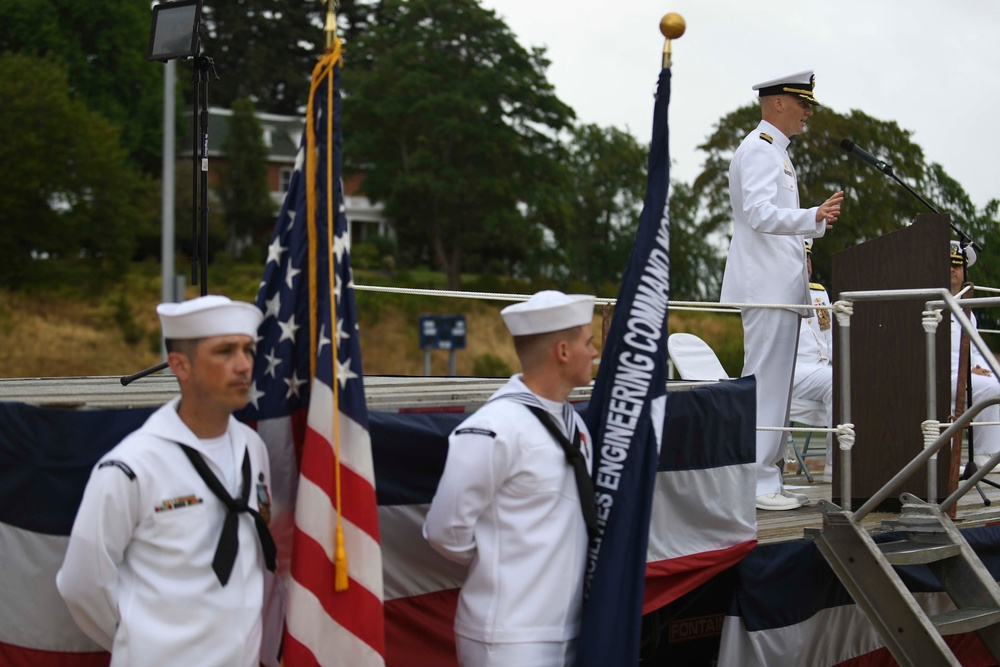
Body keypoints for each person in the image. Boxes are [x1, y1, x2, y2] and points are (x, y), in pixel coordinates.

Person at [57, 295, 279, 667]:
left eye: (248, 350)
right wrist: (142, 641)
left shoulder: (252, 449)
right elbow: (81, 584)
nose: (244, 366)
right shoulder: (132, 467)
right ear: (180, 365)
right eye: (224, 352)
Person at [423, 290, 599, 667]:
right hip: (508, 638)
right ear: (564, 351)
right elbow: (445, 530)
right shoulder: (494, 428)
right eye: (589, 342)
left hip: (566, 630)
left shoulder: (576, 428)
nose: (595, 352)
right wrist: (500, 559)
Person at [719, 69, 844, 511]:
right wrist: (812, 215)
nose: (808, 112)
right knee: (766, 386)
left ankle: (766, 479)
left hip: (779, 287)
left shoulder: (779, 154)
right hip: (765, 286)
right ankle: (757, 483)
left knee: (776, 388)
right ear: (777, 103)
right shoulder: (759, 149)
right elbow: (756, 212)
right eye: (803, 103)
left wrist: (813, 223)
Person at [949, 241, 1000, 470]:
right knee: (992, 389)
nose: (952, 269)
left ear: (964, 272)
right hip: (943, 374)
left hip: (963, 375)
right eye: (948, 264)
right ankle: (983, 455)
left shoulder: (966, 310)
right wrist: (967, 370)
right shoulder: (931, 303)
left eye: (958, 266)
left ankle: (989, 452)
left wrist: (980, 367)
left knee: (994, 381)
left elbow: (976, 350)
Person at [791, 241, 834, 481]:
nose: (806, 264)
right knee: (836, 382)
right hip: (792, 371)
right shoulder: (778, 290)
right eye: (800, 257)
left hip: (819, 370)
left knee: (853, 377)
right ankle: (835, 465)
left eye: (808, 258)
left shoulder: (818, 292)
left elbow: (831, 337)